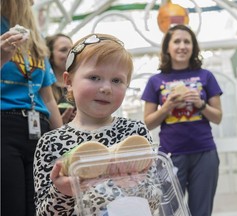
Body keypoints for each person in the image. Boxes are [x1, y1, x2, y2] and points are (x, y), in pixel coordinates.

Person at [34, 33, 160, 215]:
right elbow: (43, 213)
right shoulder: (51, 142)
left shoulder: (135, 133)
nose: (106, 88)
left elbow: (155, 199)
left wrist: (135, 184)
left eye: (117, 80)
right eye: (94, 77)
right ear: (68, 81)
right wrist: (63, 192)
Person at [141, 24, 223, 216]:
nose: (182, 46)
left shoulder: (206, 76)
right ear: (167, 47)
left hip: (204, 153)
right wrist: (167, 107)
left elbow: (218, 117)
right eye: (176, 41)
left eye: (187, 41)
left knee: (201, 212)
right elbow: (147, 123)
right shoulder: (155, 81)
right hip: (169, 156)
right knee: (168, 212)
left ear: (193, 47)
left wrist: (201, 104)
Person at [0, 0, 63, 216]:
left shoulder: (36, 38)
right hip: (5, 125)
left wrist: (64, 141)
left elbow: (48, 97)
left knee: (41, 207)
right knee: (12, 205)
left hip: (39, 128)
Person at [46, 33, 76, 123]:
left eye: (72, 50)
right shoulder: (44, 88)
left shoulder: (80, 84)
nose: (70, 54)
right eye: (63, 50)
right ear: (50, 56)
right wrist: (58, 123)